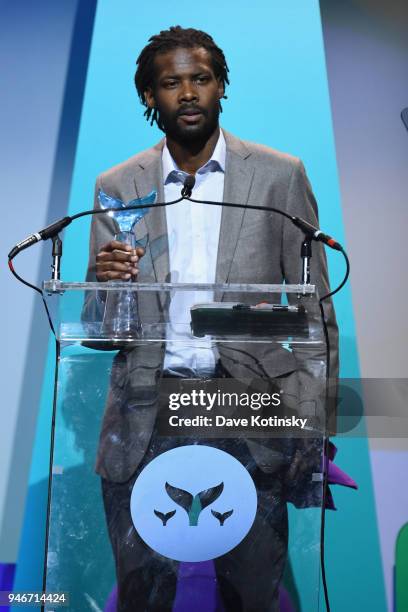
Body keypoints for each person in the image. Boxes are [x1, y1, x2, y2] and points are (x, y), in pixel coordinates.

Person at [85, 26, 338, 611]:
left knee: (252, 587)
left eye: (201, 79)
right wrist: (106, 283)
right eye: (172, 83)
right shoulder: (118, 186)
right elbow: (101, 332)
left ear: (222, 86)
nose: (189, 93)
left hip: (246, 400)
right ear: (151, 97)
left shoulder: (278, 175)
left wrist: (311, 422)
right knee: (144, 588)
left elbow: (315, 311)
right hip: (149, 401)